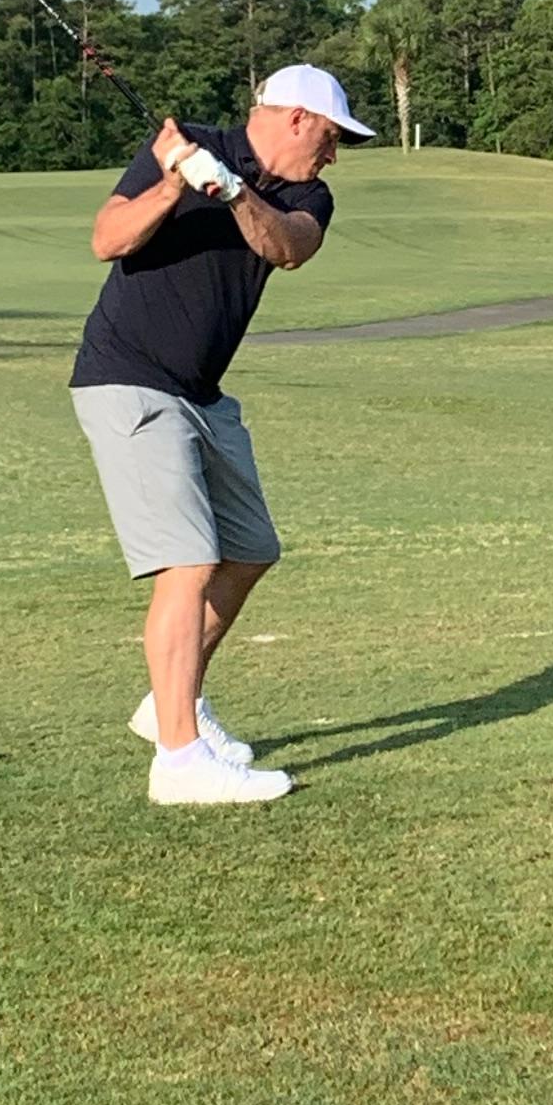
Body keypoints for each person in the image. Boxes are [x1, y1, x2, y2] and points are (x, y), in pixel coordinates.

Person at [71, 63, 376, 803]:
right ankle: (179, 762)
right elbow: (108, 240)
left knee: (249, 550)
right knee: (187, 562)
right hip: (129, 376)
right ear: (298, 118)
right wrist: (176, 181)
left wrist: (233, 191)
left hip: (203, 394)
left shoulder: (307, 195)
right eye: (333, 138)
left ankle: (166, 705)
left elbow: (287, 247)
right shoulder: (186, 145)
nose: (334, 155)